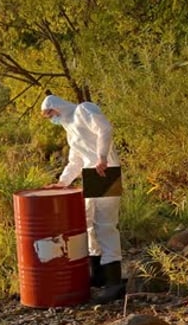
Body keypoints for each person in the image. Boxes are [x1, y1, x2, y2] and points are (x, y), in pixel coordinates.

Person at [40, 94, 125, 303]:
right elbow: (75, 160)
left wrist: (102, 156)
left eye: (50, 113)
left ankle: (115, 283)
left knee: (105, 226)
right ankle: (98, 275)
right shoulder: (70, 129)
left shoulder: (83, 110)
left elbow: (104, 129)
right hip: (91, 175)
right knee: (89, 224)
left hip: (105, 172)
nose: (52, 118)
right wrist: (62, 182)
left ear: (57, 107)